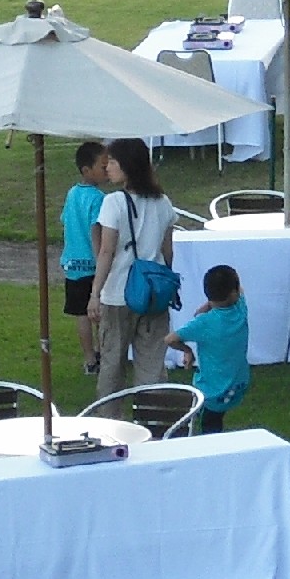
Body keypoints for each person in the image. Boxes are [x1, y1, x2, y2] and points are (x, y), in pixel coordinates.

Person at [89, 137, 177, 394]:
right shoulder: (163, 202)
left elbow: (107, 251)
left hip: (118, 292)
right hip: (153, 293)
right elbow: (168, 251)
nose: (107, 167)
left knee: (112, 364)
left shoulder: (113, 202)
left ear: (127, 166)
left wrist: (95, 293)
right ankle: (151, 412)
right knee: (152, 364)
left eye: (112, 162)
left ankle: (109, 415)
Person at [170, 265, 250, 433]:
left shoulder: (203, 323)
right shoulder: (240, 310)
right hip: (236, 384)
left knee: (204, 423)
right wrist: (210, 304)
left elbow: (170, 339)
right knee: (213, 421)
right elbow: (240, 290)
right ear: (233, 293)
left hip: (210, 390)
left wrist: (187, 350)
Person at [62, 140, 112, 380]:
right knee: (99, 312)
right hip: (92, 265)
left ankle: (89, 359)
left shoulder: (72, 193)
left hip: (72, 264)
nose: (107, 170)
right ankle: (104, 353)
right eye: (103, 166)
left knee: (81, 313)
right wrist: (101, 260)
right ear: (86, 170)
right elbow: (96, 232)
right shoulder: (98, 198)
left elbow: (65, 222)